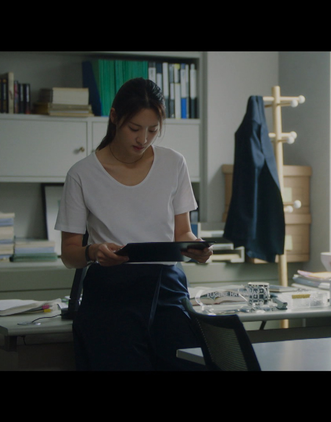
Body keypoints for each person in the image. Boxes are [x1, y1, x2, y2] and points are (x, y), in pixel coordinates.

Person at [55, 77, 212, 370]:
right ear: (115, 117)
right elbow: (69, 253)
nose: (143, 139)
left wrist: (195, 248)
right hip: (111, 296)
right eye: (134, 128)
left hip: (167, 291)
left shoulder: (174, 163)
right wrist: (93, 251)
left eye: (153, 130)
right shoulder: (82, 174)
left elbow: (182, 232)